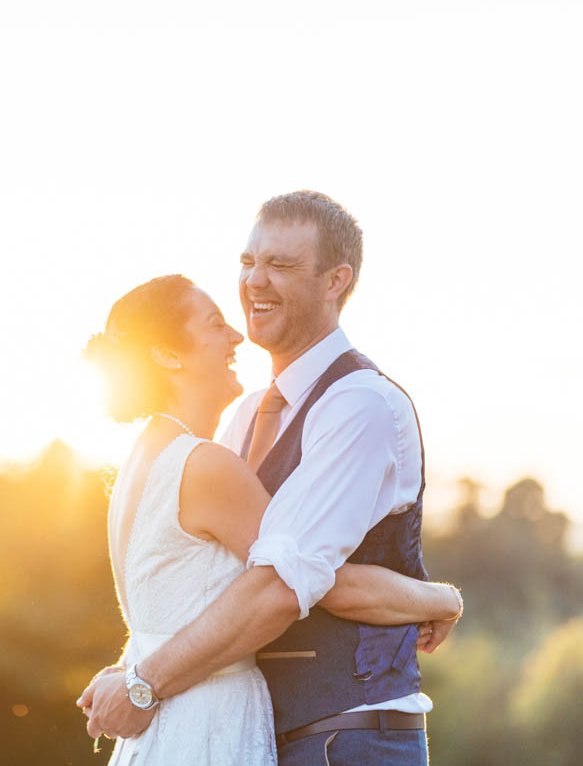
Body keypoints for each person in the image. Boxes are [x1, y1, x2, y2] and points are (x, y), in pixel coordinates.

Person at [79, 264, 461, 764]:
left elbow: (167, 608)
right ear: (169, 354)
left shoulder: (141, 461)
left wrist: (134, 675)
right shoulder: (206, 464)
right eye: (215, 324)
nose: (236, 334)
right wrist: (438, 598)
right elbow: (304, 579)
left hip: (161, 728)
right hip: (206, 720)